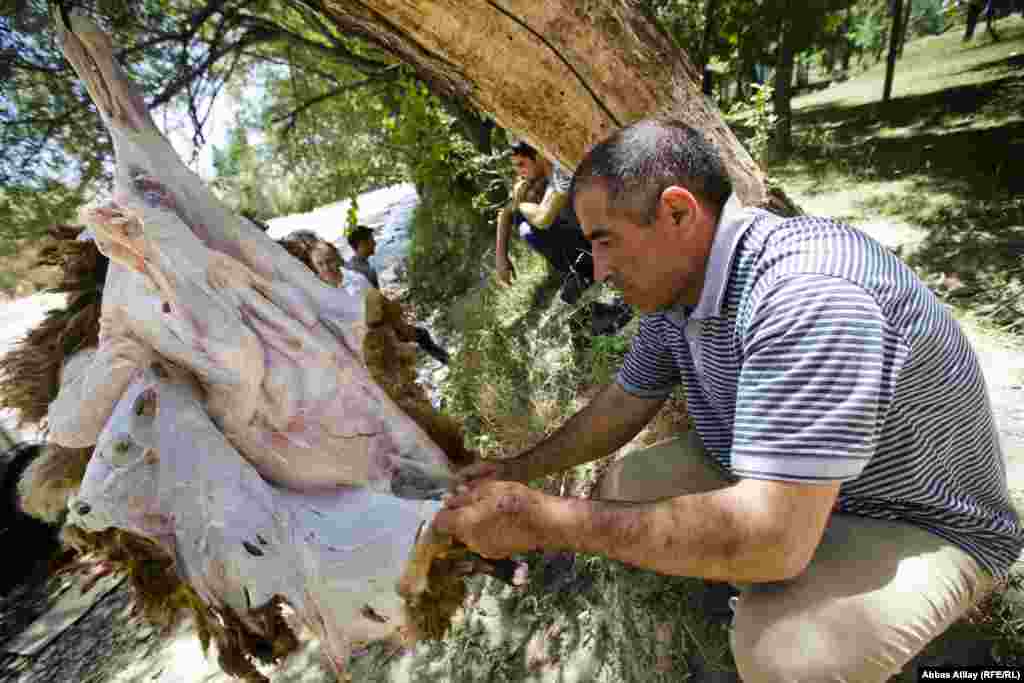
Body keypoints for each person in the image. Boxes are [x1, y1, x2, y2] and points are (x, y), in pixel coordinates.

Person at [435, 118, 1024, 682]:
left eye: (606, 241)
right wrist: (519, 470)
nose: (600, 270)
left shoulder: (804, 296)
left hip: (921, 519)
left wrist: (543, 521)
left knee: (782, 657)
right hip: (821, 487)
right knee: (629, 483)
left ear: (676, 212)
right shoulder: (681, 288)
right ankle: (748, 581)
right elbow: (622, 402)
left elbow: (771, 541)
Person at [495, 142, 595, 304]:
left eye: (522, 164)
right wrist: (501, 257)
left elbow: (543, 218)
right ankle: (580, 272)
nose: (520, 172)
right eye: (516, 167)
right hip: (584, 234)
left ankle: (586, 270)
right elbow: (506, 213)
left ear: (539, 156)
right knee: (521, 219)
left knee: (526, 218)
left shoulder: (560, 170)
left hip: (603, 236)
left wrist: (520, 204)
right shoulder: (534, 180)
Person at [336, 227, 449, 365]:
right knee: (421, 336)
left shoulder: (354, 266)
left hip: (373, 323)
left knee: (419, 338)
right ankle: (450, 363)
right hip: (379, 325)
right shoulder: (363, 271)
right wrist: (398, 326)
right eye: (371, 240)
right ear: (362, 244)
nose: (375, 243)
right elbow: (371, 305)